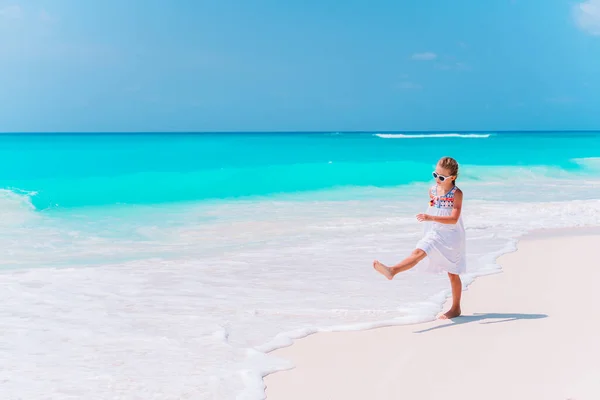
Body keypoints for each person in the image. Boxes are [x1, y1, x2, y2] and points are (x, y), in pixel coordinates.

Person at [373, 156, 466, 319]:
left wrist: (430, 218)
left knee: (452, 273)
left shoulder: (456, 193)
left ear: (453, 178)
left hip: (451, 235)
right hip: (434, 231)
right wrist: (429, 222)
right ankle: (392, 270)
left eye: (442, 177)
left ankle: (456, 308)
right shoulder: (432, 190)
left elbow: (453, 219)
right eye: (435, 175)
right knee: (418, 252)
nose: (437, 179)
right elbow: (433, 207)